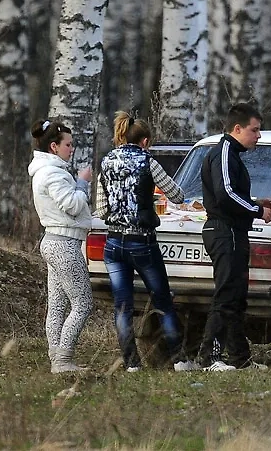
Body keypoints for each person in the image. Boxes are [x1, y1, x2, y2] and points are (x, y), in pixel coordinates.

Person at [96, 111, 195, 372]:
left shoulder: (106, 162)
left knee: (123, 307)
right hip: (142, 241)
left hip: (114, 244)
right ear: (145, 141)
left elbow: (101, 210)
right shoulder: (147, 161)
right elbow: (176, 194)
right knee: (162, 301)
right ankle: (180, 360)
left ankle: (131, 363)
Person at [198, 103, 271, 371]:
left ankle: (240, 359)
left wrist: (254, 201)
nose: (259, 135)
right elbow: (225, 194)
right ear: (237, 128)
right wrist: (257, 210)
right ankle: (210, 357)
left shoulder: (232, 155)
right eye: (255, 130)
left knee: (237, 296)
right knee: (226, 295)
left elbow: (231, 194)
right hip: (224, 230)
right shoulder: (224, 153)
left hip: (233, 230)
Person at [28, 119, 94, 374]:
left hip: (54, 241)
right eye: (69, 144)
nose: (72, 148)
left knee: (57, 304)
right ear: (54, 147)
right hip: (63, 245)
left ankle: (57, 358)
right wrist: (82, 182)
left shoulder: (45, 171)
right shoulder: (53, 173)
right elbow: (73, 205)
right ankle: (63, 359)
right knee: (83, 303)